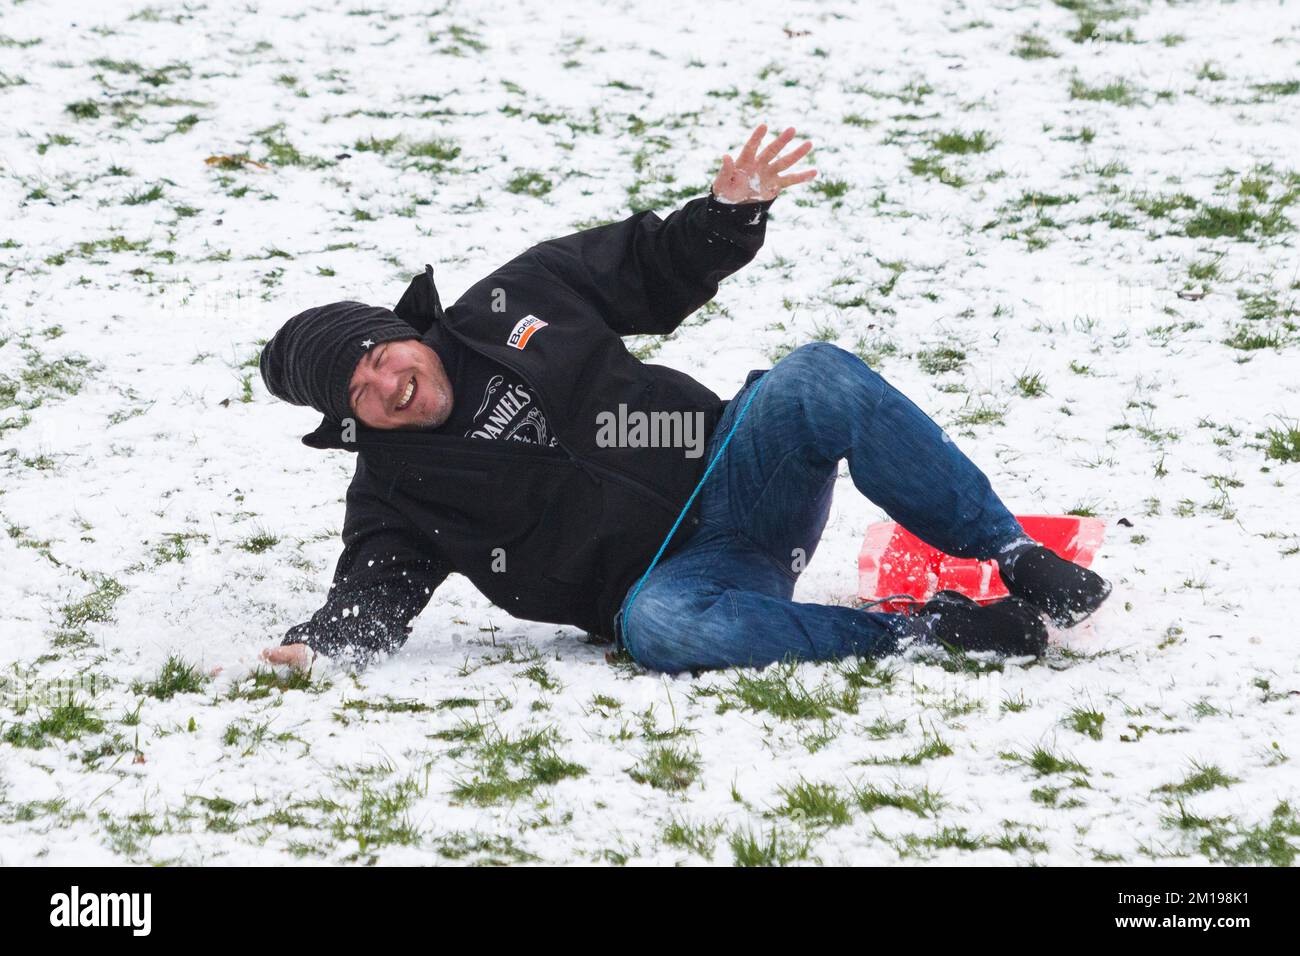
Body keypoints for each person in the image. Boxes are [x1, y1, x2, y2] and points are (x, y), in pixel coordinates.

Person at [257, 124, 1111, 674]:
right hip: (684, 579)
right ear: (348, 421)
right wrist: (318, 646)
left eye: (373, 354)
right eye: (356, 392)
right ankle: (929, 633)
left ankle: (1011, 552)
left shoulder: (507, 303)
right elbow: (372, 595)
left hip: (738, 471)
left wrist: (724, 214)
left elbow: (647, 269)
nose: (382, 382)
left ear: (399, 330)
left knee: (812, 375)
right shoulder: (394, 491)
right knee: (663, 631)